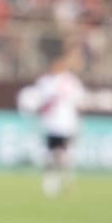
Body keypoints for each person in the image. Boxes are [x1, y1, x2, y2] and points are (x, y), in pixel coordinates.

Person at [17, 38, 87, 197]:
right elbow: (39, 102)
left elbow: (78, 103)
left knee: (60, 155)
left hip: (64, 124)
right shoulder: (51, 81)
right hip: (54, 124)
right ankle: (54, 184)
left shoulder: (62, 81)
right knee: (54, 155)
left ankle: (61, 183)